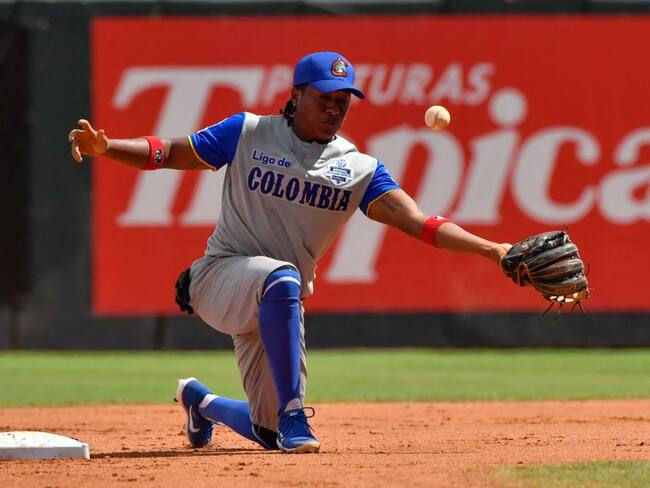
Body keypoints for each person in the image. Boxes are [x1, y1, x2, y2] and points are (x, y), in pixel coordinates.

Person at [69, 51, 512, 454]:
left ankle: (199, 401)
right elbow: (169, 152)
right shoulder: (249, 132)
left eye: (344, 99)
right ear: (296, 95)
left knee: (268, 430)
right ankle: (297, 413)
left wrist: (493, 250)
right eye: (325, 97)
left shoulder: (359, 169)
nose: (335, 107)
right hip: (221, 276)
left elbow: (420, 223)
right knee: (282, 280)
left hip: (277, 306)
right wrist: (108, 148)